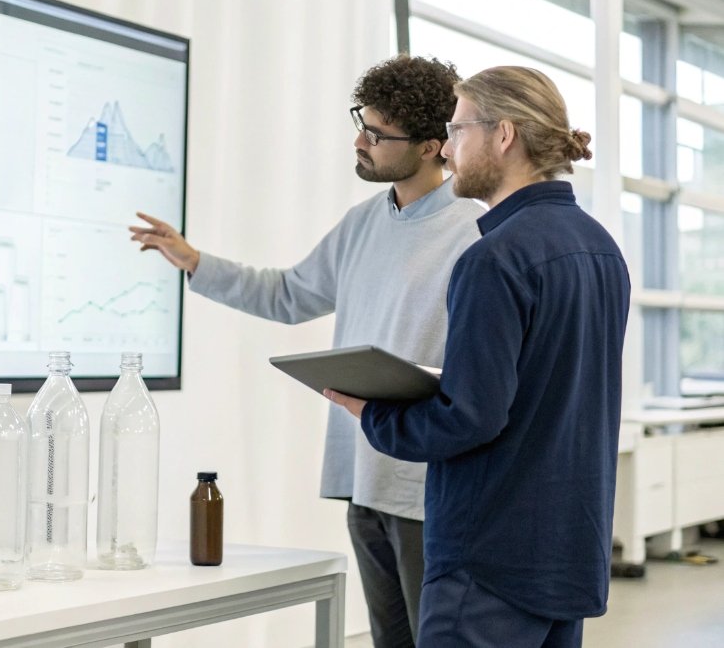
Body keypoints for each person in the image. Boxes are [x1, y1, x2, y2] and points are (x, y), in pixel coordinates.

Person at [130, 54, 485, 647]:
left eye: (376, 133)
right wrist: (196, 262)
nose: (360, 140)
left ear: (430, 146)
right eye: (361, 122)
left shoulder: (474, 233)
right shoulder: (362, 222)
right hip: (362, 474)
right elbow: (290, 294)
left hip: (426, 485)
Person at [325, 66, 631, 647]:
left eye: (459, 130)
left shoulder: (494, 259)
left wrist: (374, 415)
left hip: (488, 561)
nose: (451, 148)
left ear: (504, 135)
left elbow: (469, 417)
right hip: (568, 553)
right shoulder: (600, 249)